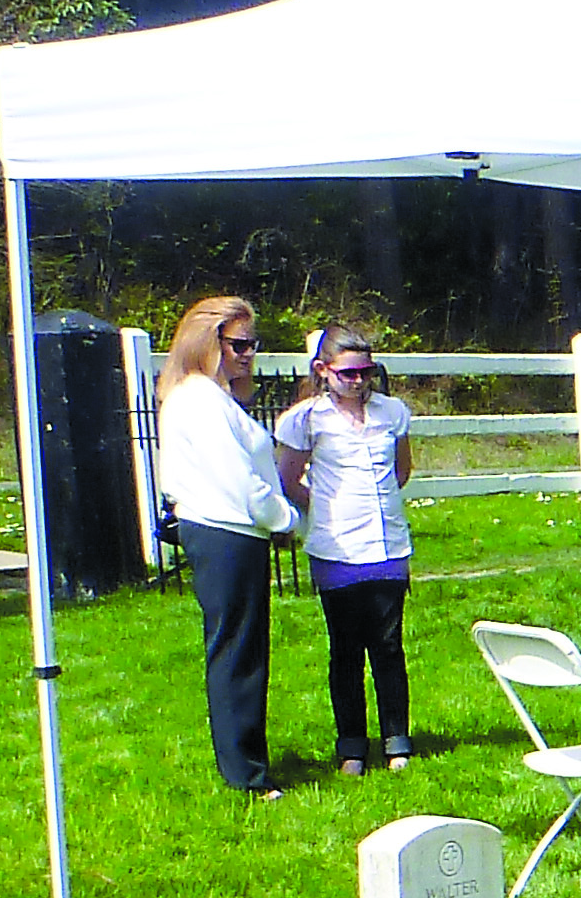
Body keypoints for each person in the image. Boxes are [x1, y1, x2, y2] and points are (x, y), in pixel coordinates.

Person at [153, 295, 293, 797]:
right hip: (224, 531)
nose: (248, 354)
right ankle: (246, 775)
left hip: (235, 532)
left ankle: (248, 763)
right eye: (238, 344)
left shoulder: (211, 397)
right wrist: (284, 517)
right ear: (207, 342)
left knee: (244, 649)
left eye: (252, 344)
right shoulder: (196, 398)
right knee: (235, 652)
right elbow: (237, 479)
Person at [273, 322, 418, 775]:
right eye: (348, 374)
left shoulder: (392, 413)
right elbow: (288, 477)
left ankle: (397, 741)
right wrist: (327, 508)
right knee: (346, 650)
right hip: (335, 549)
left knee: (389, 647)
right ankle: (351, 745)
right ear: (323, 371)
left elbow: (402, 469)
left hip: (387, 544)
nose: (358, 383)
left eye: (366, 373)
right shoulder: (306, 419)